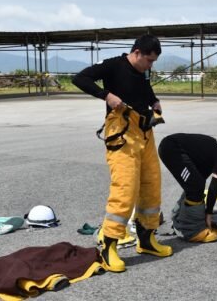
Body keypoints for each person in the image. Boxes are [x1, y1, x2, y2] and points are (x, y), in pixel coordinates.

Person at [72, 34, 172, 273]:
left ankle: (147, 241)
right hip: (121, 133)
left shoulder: (142, 71)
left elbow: (144, 87)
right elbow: (79, 78)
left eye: (153, 61)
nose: (151, 65)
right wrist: (106, 95)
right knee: (125, 189)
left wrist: (154, 101)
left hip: (145, 132)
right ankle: (108, 246)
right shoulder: (113, 65)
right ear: (136, 53)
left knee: (151, 185)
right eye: (148, 60)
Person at [158, 133, 217, 242]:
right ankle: (192, 231)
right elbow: (214, 188)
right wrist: (208, 214)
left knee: (194, 184)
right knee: (196, 187)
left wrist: (207, 211)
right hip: (172, 149)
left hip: (171, 146)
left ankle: (177, 216)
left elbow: (203, 182)